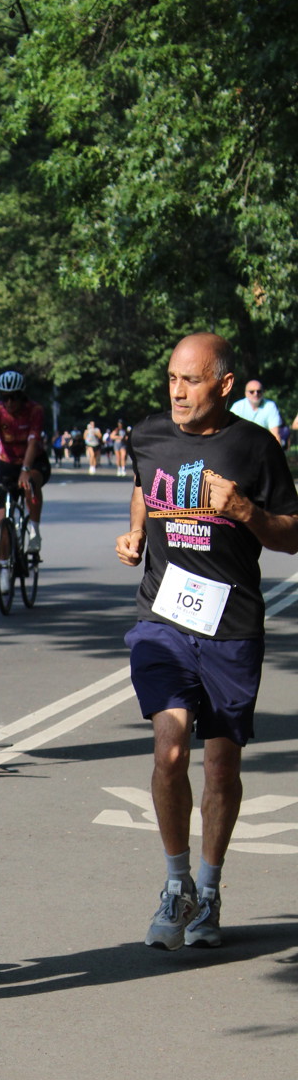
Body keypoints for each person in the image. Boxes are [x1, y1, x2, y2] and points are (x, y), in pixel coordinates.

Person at [115, 332, 298, 950]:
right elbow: (143, 486)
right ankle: (177, 884)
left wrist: (247, 512)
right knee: (169, 750)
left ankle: (210, 890)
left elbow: (292, 534)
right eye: (171, 378)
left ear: (223, 385)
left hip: (231, 626)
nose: (177, 391)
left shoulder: (255, 447)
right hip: (162, 619)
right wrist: (136, 533)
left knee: (221, 766)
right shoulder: (148, 435)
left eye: (190, 380)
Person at [0, 370, 50, 583]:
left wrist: (26, 470)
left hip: (34, 460)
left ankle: (34, 530)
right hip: (7, 464)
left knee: (30, 482)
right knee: (1, 518)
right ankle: (4, 566)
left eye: (14, 397)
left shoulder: (35, 410)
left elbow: (33, 441)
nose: (10, 402)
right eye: (5, 397)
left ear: (22, 395)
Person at [229, 379, 285, 444]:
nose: (256, 394)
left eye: (259, 391)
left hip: (263, 444)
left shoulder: (270, 406)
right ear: (245, 393)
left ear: (263, 392)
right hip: (241, 443)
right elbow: (230, 430)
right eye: (252, 392)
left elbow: (275, 434)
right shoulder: (237, 407)